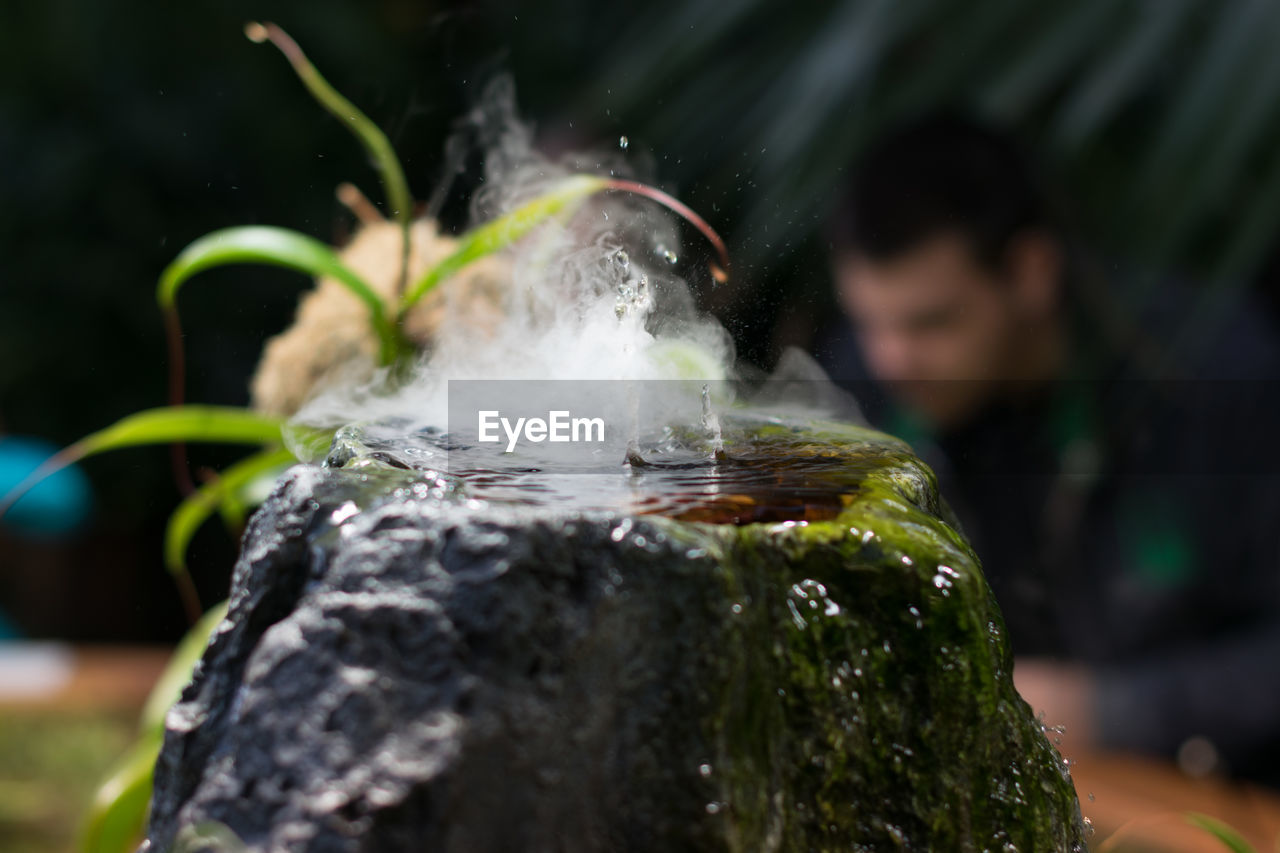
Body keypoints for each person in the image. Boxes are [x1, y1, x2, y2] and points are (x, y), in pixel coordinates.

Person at [815, 113, 1280, 786]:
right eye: (868, 321)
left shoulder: (1212, 376)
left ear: (1031, 273)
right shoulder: (858, 385)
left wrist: (1111, 711)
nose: (893, 359)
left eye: (932, 321)